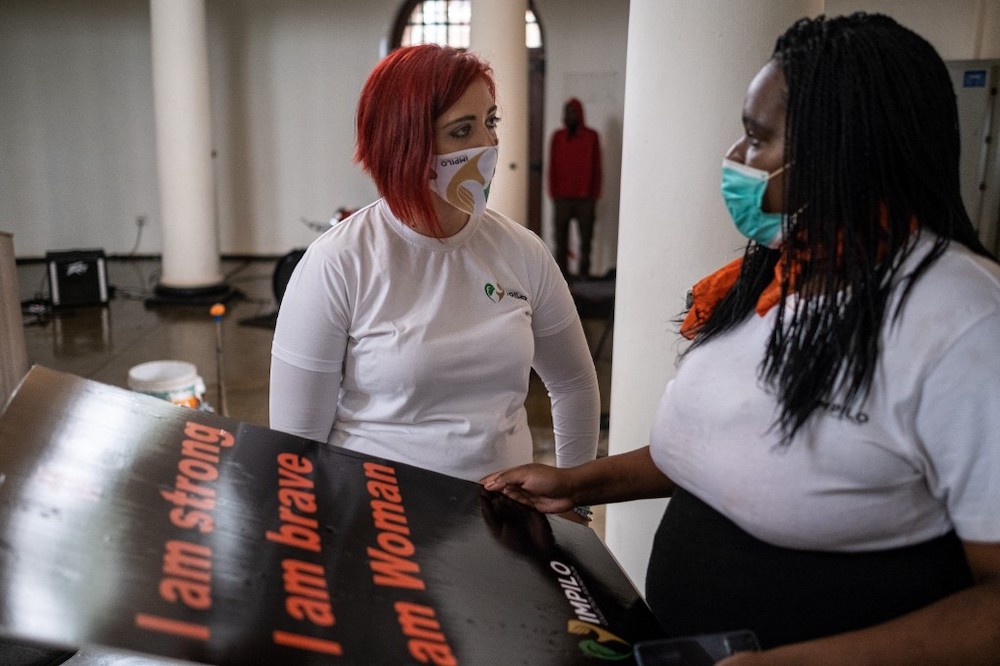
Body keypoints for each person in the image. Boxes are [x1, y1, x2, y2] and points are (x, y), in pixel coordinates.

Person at [483, 13, 1000, 662]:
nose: (734, 158)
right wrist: (580, 483)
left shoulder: (966, 321)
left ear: (840, 149)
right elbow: (720, 447)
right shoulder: (773, 273)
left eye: (756, 139)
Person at [269, 45, 600, 520]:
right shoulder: (339, 263)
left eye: (490, 121)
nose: (487, 144)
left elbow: (573, 384)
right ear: (406, 145)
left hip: (500, 522)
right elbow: (296, 448)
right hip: (383, 527)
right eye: (461, 131)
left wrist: (575, 498)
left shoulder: (521, 251)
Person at [549, 98, 602, 279]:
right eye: (566, 111)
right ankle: (561, 275)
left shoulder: (591, 136)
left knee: (586, 239)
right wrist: (553, 193)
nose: (568, 115)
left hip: (585, 197)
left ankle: (584, 274)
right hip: (562, 197)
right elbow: (552, 166)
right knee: (560, 239)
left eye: (571, 111)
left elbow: (597, 167)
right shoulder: (557, 137)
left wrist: (594, 194)